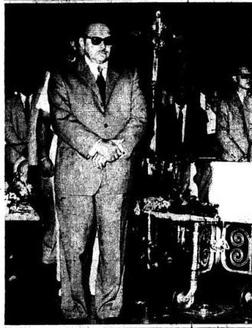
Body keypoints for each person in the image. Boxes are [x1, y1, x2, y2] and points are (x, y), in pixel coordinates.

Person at [48, 21, 147, 323]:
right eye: (96, 40)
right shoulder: (63, 78)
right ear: (82, 43)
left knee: (113, 247)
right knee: (74, 248)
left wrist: (120, 147)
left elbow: (141, 117)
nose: (103, 45)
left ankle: (109, 310)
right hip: (77, 176)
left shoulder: (129, 76)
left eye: (108, 40)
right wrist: (96, 146)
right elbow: (61, 120)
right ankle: (74, 309)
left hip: (116, 173)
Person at [216, 65, 252, 162]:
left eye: (250, 76)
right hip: (233, 158)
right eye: (244, 76)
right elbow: (222, 133)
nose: (248, 79)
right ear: (235, 78)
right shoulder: (226, 103)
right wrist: (238, 155)